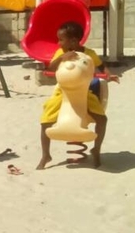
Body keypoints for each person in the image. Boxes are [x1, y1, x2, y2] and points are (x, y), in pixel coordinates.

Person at [37, 21, 119, 170]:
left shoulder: (89, 54)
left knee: (102, 119)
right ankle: (45, 155)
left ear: (74, 41)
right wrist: (63, 58)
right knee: (45, 121)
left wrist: (110, 75)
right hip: (62, 92)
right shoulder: (61, 53)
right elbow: (51, 67)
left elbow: (100, 66)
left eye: (61, 39)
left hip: (84, 92)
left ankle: (96, 149)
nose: (58, 42)